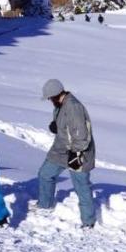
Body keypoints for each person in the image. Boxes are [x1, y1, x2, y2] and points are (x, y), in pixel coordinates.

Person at [35, 79, 97, 228]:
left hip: (78, 153)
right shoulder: (60, 105)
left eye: (50, 98)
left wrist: (76, 153)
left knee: (81, 186)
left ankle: (88, 222)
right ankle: (45, 205)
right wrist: (56, 127)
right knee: (45, 174)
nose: (50, 101)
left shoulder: (73, 107)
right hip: (60, 150)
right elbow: (66, 127)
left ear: (57, 94)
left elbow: (81, 135)